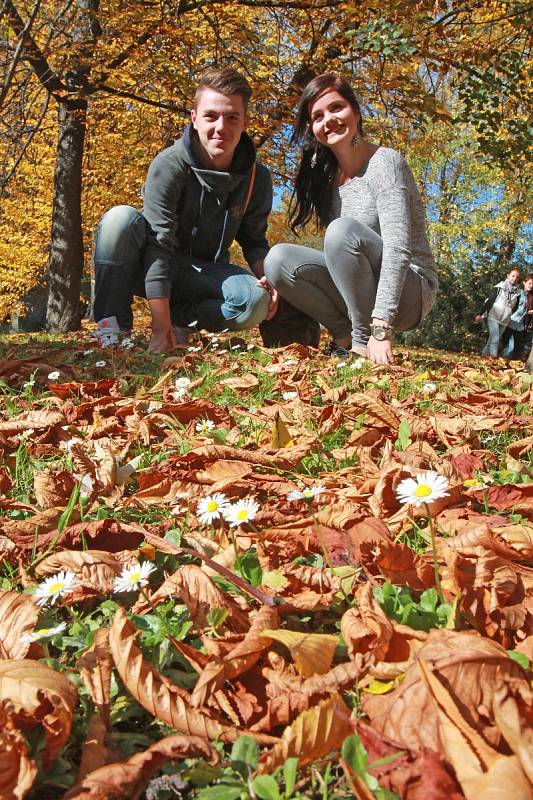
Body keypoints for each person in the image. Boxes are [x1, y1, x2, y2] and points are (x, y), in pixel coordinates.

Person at [93, 67, 281, 353]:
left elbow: (254, 241)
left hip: (202, 273)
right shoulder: (169, 165)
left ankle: (182, 320)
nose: (221, 127)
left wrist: (274, 281)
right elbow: (159, 245)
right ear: (194, 119)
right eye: (210, 116)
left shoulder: (259, 178)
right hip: (147, 264)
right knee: (118, 219)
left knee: (254, 303)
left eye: (232, 117)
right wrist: (159, 329)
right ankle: (113, 327)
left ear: (245, 121)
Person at [263, 73, 438, 365]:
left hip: (410, 293)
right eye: (317, 116)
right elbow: (341, 261)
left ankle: (360, 343)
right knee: (277, 260)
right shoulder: (329, 182)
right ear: (313, 128)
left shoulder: (385, 163)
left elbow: (398, 250)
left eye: (336, 108)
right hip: (363, 291)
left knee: (341, 231)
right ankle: (344, 336)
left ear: (355, 113)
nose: (328, 119)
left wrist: (380, 330)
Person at [475, 268, 521, 357]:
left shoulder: (518, 293)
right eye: (513, 276)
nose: (515, 278)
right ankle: (494, 360)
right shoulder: (499, 287)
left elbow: (515, 307)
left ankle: (483, 357)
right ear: (508, 276)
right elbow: (489, 301)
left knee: (492, 340)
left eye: (517, 277)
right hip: (493, 317)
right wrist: (480, 313)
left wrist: (508, 312)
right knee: (495, 339)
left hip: (504, 320)